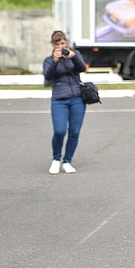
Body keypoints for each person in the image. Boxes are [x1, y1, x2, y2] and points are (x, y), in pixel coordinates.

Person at [42, 30, 88, 175]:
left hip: (77, 98)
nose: (61, 46)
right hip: (59, 100)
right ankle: (56, 159)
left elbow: (82, 68)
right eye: (58, 44)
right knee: (59, 130)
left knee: (74, 132)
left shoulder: (74, 54)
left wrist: (73, 57)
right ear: (53, 45)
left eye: (63, 43)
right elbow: (48, 76)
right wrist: (55, 61)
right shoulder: (49, 60)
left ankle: (67, 161)